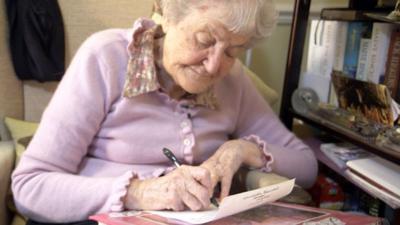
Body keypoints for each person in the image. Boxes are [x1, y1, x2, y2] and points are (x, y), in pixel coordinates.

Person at [11, 0, 318, 224]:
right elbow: (31, 187)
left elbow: (306, 166)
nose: (214, 66)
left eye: (232, 51)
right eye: (204, 41)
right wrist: (140, 192)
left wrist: (242, 150)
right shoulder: (105, 58)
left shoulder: (233, 80)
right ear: (166, 14)